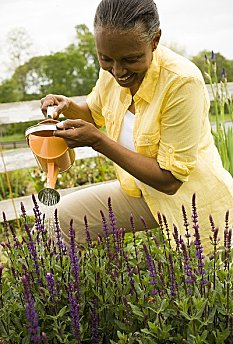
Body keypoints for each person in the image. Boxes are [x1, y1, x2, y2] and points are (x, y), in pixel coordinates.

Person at [40, 0, 233, 254]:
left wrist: (98, 141)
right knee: (57, 222)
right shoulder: (112, 71)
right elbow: (94, 114)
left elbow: (170, 180)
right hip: (141, 193)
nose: (118, 71)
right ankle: (59, 288)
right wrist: (68, 107)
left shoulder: (182, 83)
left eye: (130, 59)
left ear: (155, 40)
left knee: (204, 284)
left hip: (193, 202)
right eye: (106, 58)